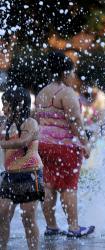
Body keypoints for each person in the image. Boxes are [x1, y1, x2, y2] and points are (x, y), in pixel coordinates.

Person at [35, 51, 94, 237]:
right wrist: (85, 143)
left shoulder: (42, 92)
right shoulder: (66, 93)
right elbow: (75, 121)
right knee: (68, 186)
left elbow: (39, 119)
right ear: (64, 72)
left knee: (49, 185)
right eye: (72, 72)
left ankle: (51, 227)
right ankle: (74, 228)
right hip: (65, 146)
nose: (73, 76)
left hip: (43, 145)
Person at [0, 87, 44, 250]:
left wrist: (1, 143)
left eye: (6, 105)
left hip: (30, 175)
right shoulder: (5, 124)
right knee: (2, 213)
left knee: (28, 216)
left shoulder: (30, 122)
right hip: (10, 176)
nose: (3, 108)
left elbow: (23, 142)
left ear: (18, 105)